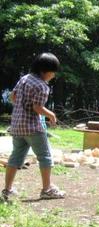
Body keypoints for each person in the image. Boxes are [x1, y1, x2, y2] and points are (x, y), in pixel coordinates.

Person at [2, 53, 65, 201]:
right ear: (44, 71)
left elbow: (13, 97)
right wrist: (51, 115)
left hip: (17, 126)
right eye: (53, 72)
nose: (54, 75)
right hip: (33, 128)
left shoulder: (25, 79)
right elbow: (37, 107)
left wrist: (21, 106)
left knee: (15, 158)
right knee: (45, 157)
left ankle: (7, 190)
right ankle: (47, 189)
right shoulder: (42, 86)